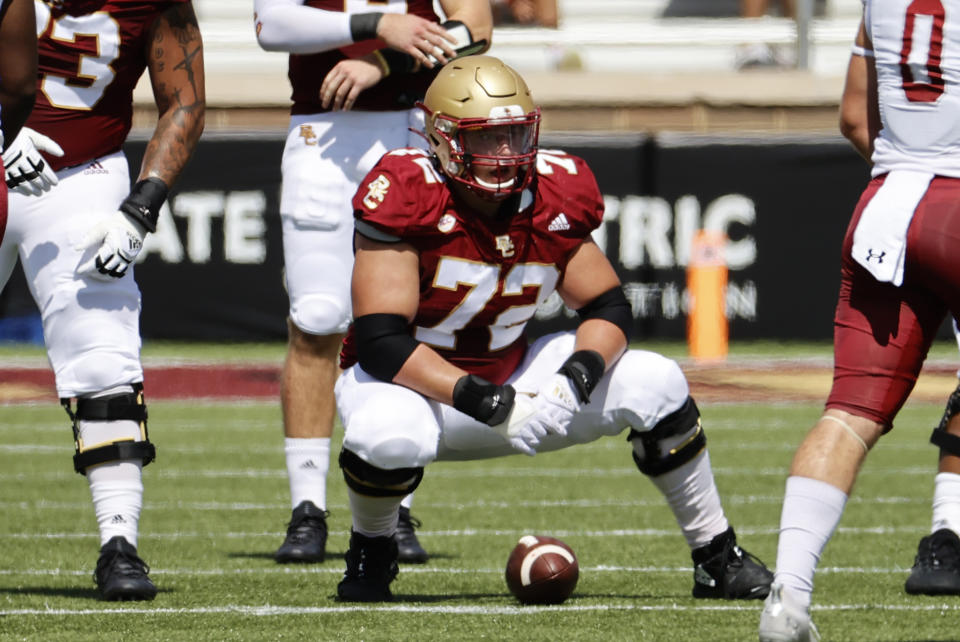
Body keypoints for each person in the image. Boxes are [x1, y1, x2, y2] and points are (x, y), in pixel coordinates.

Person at [331, 54, 774, 602]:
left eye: (515, 135)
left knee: (656, 380)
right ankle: (372, 551)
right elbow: (380, 343)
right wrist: (484, 401)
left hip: (514, 375)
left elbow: (607, 307)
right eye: (487, 139)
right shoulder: (405, 191)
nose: (505, 155)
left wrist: (576, 379)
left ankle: (717, 555)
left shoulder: (554, 191)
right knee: (385, 435)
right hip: (415, 390)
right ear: (441, 138)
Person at [253, 0, 492, 565]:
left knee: (401, 325)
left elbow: (476, 29)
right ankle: (307, 509)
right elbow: (270, 25)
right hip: (322, 133)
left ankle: (395, 504)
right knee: (316, 318)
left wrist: (384, 61)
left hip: (412, 129)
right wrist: (376, 25)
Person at [759, 1, 960, 639]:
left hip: (889, 203)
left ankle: (787, 596)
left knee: (848, 415)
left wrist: (911, 164)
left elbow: (853, 115)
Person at [0, 0, 205, 600]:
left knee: (103, 355)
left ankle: (119, 543)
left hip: (79, 176)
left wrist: (142, 207)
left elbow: (184, 102)